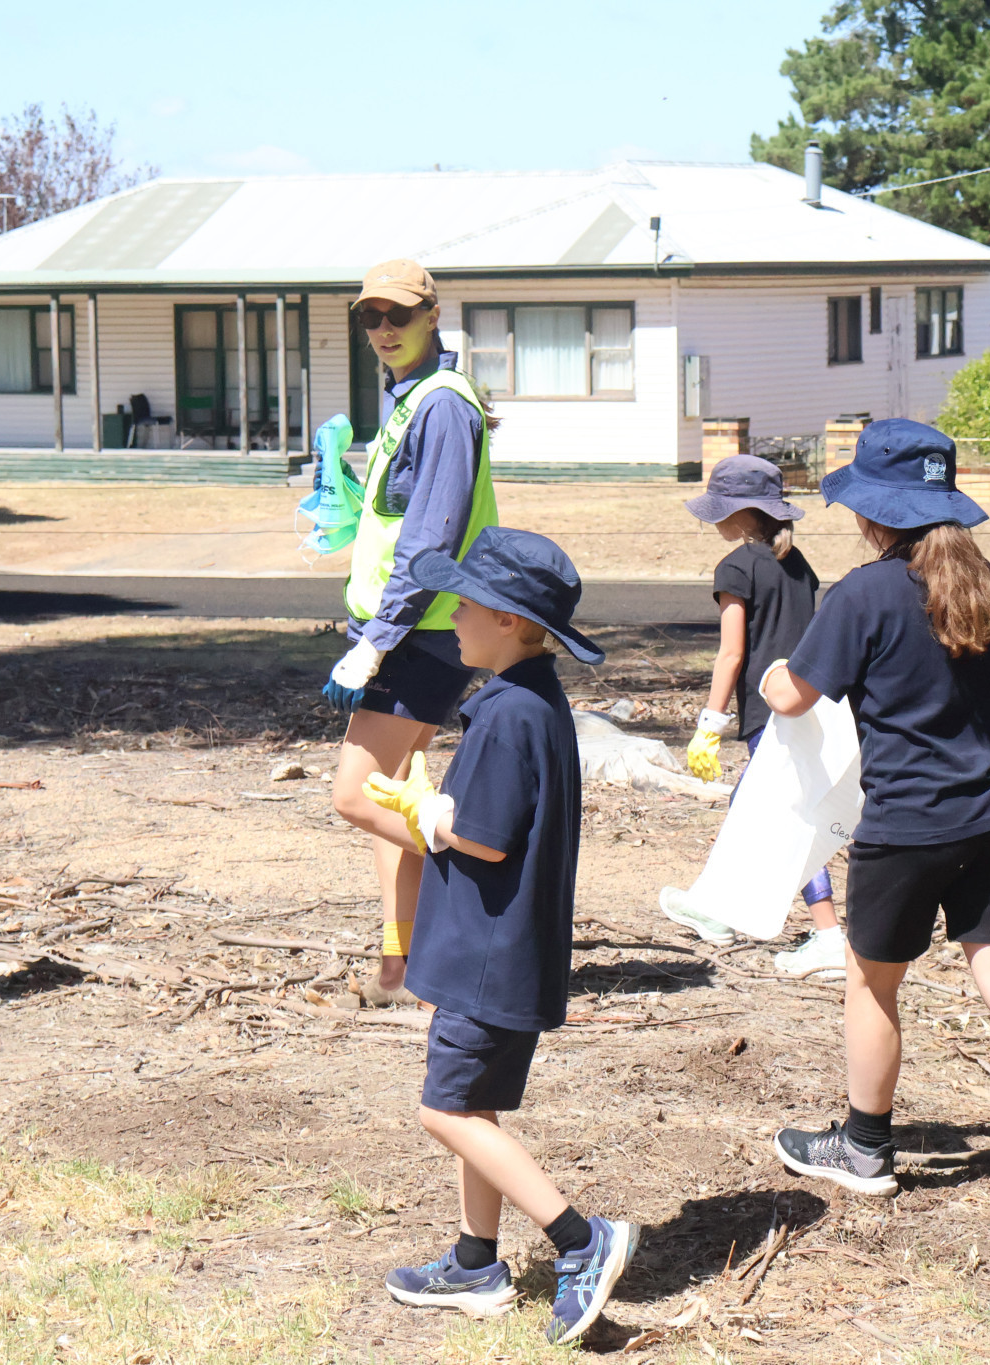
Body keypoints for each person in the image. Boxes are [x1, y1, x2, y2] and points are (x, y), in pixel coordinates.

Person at [759, 419, 990, 1229]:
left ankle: (863, 1146)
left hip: (910, 827)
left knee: (873, 980)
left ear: (871, 514)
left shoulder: (861, 592)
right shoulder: (985, 584)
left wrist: (765, 681)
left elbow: (794, 693)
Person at [362, 527, 638, 1345]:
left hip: (487, 959)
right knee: (473, 1103)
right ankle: (476, 1259)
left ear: (514, 623)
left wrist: (424, 810)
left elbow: (482, 834)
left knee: (446, 1111)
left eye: (468, 605)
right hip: (506, 952)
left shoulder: (509, 713)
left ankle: (581, 1240)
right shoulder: (532, 698)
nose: (452, 617)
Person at [323, 259, 499, 1006]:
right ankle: (404, 973)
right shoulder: (409, 399)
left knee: (355, 797)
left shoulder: (442, 406)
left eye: (398, 314)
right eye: (371, 318)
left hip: (420, 633)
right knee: (392, 802)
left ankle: (491, 877)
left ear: (434, 315)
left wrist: (374, 642)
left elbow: (431, 537)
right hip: (403, 630)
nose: (384, 329)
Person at [661, 455, 845, 977]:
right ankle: (717, 908)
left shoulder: (737, 568)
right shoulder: (798, 565)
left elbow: (731, 655)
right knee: (756, 812)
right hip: (805, 703)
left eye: (718, 510)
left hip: (768, 711)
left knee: (786, 816)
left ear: (741, 513)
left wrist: (708, 726)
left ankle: (828, 933)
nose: (711, 520)